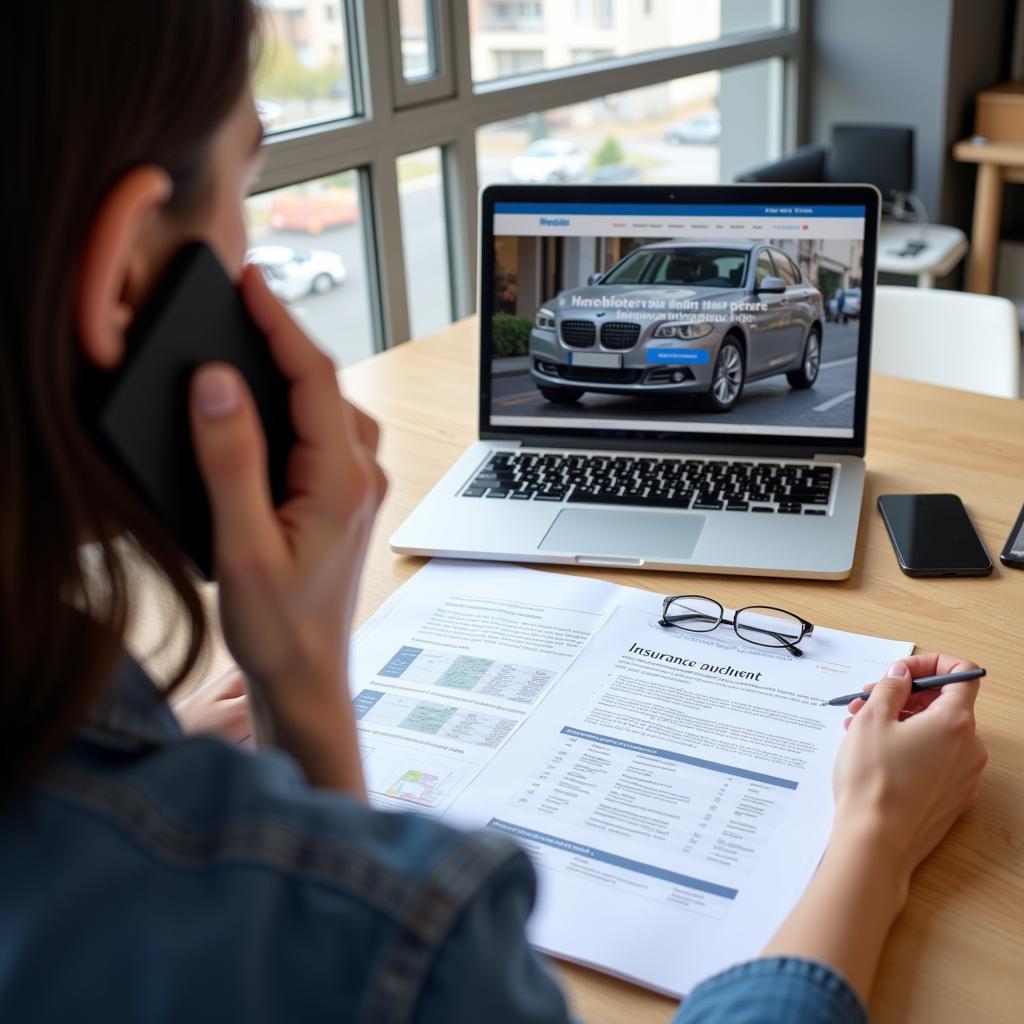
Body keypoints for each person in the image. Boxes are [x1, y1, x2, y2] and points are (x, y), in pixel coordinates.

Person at [0, 4, 988, 1022]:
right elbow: (324, 937)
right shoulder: (422, 937)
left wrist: (193, 738)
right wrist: (873, 827)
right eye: (248, 180)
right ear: (125, 278)